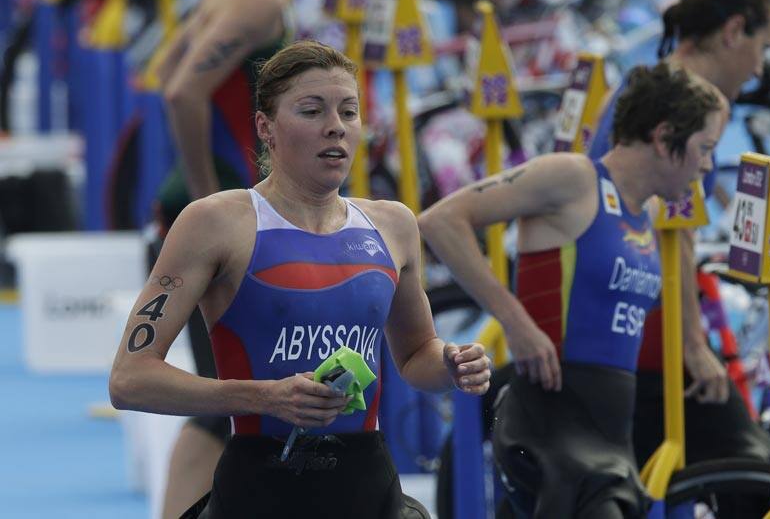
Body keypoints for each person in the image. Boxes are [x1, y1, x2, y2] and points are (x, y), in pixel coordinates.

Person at [110, 40, 491, 519]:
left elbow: (417, 356)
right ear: (265, 128)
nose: (335, 126)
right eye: (312, 110)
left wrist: (453, 364)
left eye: (349, 112)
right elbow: (129, 380)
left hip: (368, 488)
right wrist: (263, 396)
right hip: (260, 489)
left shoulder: (392, 224)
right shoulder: (216, 222)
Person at [419, 63, 727, 518]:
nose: (707, 166)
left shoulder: (650, 213)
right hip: (550, 425)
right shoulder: (573, 179)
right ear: (664, 138)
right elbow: (441, 221)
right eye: (704, 148)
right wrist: (515, 322)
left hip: (610, 433)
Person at [587, 0, 770, 469]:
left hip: (602, 314)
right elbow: (675, 235)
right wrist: (693, 345)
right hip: (642, 330)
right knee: (756, 469)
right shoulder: (692, 104)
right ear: (734, 31)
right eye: (762, 46)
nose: (759, 68)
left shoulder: (640, 85)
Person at [150, 0, 308, 515]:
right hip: (216, 211)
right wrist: (207, 200)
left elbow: (168, 64)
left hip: (213, 203)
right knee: (227, 392)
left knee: (232, 389)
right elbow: (180, 90)